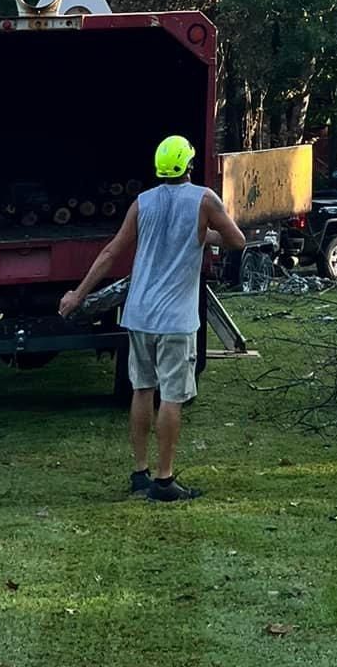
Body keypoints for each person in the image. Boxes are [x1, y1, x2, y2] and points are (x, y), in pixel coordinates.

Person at [59, 133, 247, 503]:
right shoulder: (204, 199)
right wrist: (206, 235)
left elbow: (112, 251)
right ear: (190, 165)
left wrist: (77, 294)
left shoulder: (142, 202)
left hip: (139, 314)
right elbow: (237, 240)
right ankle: (165, 481)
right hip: (175, 319)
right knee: (172, 397)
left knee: (142, 389)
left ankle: (140, 471)